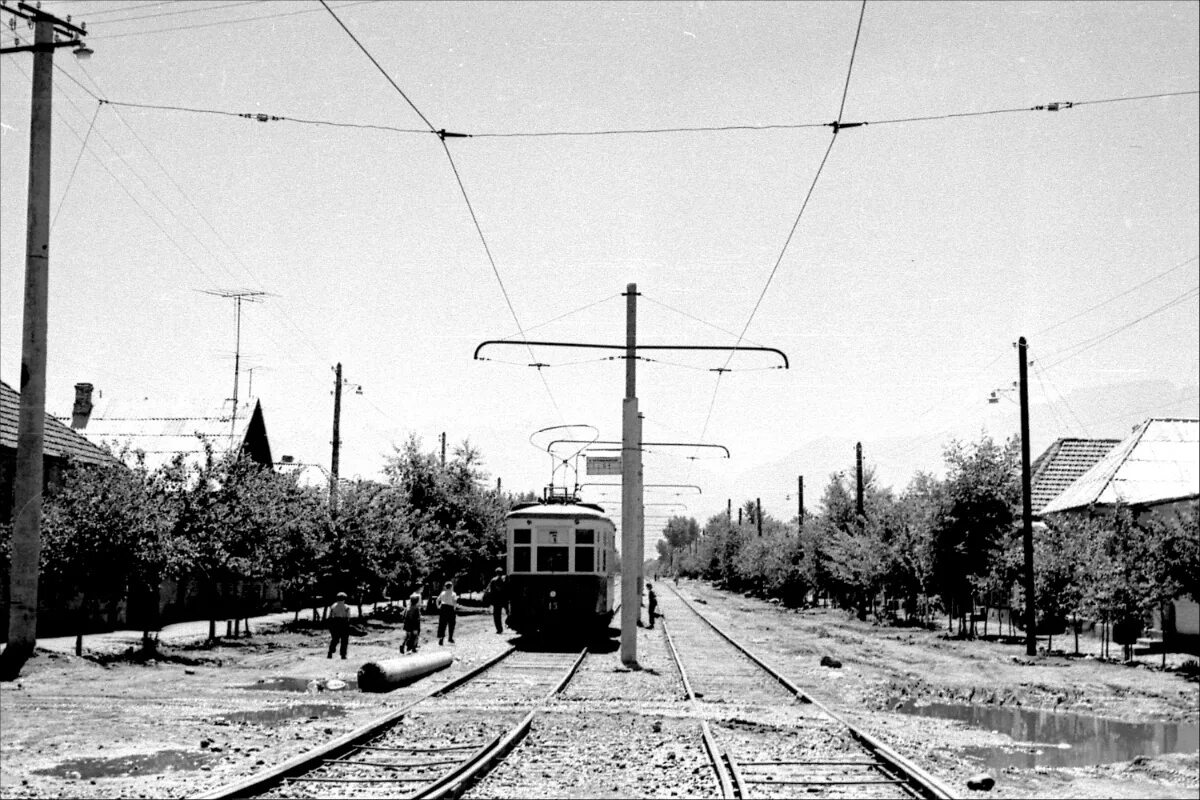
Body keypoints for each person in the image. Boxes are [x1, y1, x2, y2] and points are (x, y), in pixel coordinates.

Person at [327, 591, 351, 659]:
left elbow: (330, 616)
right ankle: (343, 654)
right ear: (344, 599)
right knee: (344, 640)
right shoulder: (346, 607)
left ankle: (330, 652)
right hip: (343, 623)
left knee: (335, 639)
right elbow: (348, 617)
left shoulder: (333, 606)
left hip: (335, 623)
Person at [485, 568, 507, 634]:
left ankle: (499, 629)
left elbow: (488, 589)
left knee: (497, 615)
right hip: (504, 599)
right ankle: (509, 623)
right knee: (509, 612)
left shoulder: (493, 580)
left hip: (496, 600)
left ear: (496, 572)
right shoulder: (505, 579)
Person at [436, 581, 458, 645]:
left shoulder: (442, 593)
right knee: (451, 623)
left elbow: (437, 600)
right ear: (451, 587)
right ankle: (450, 638)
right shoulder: (453, 593)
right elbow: (455, 602)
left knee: (442, 624)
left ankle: (441, 639)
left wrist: (438, 606)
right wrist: (454, 608)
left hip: (443, 608)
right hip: (450, 608)